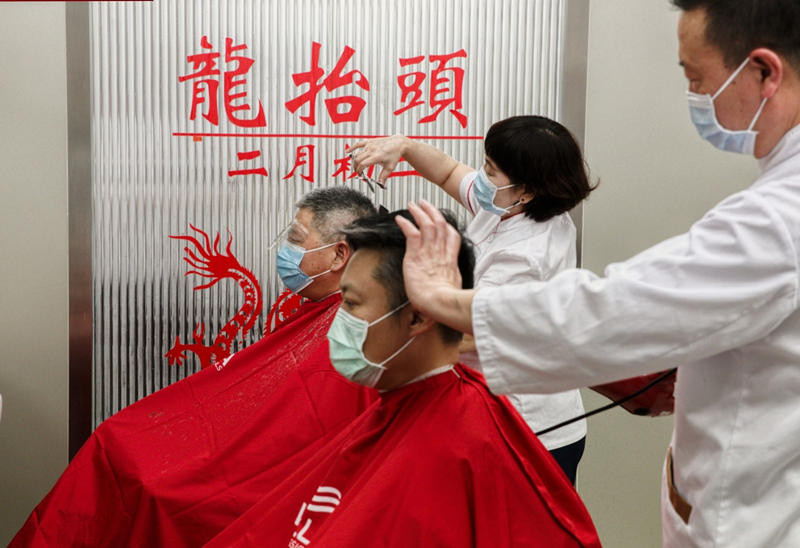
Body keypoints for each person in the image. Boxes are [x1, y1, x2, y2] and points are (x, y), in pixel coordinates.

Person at [393, 1, 800, 546]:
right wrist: (403, 148)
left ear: (764, 72)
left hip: (749, 511)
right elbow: (460, 178)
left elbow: (608, 311)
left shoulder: (778, 218)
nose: (694, 96)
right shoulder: (505, 205)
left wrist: (435, 299)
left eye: (697, 77)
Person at [204, 210, 602, 548]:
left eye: (352, 305)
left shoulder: (466, 444)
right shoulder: (401, 405)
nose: (336, 326)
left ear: (417, 316)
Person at [10, 187, 378, 548]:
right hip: (226, 452)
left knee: (149, 485)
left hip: (265, 484)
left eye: (296, 239)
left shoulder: (358, 330)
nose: (285, 250)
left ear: (338, 255)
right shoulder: (313, 313)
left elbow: (307, 427)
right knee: (114, 440)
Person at [349, 116, 594, 483]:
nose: (480, 176)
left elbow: (480, 331)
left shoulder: (527, 254)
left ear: (525, 189)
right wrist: (405, 146)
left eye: (491, 170)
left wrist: (391, 333)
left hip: (530, 429)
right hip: (496, 408)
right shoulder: (507, 207)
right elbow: (448, 173)